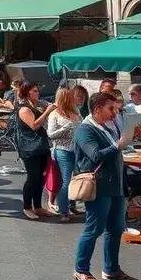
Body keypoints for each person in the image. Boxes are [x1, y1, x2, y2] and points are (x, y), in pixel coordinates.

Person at [72, 92, 140, 280]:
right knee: (93, 229)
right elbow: (94, 155)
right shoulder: (85, 130)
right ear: (97, 109)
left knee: (116, 229)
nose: (114, 112)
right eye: (110, 108)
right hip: (99, 187)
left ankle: (111, 269)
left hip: (116, 187)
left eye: (115, 108)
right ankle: (81, 269)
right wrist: (118, 145)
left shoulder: (107, 127)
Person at [15, 82, 54, 220]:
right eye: (35, 91)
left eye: (38, 91)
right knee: (33, 177)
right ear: (27, 93)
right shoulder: (24, 109)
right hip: (29, 148)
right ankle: (27, 207)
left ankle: (37, 206)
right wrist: (47, 111)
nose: (38, 93)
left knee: (41, 177)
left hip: (41, 146)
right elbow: (34, 125)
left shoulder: (36, 105)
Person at [47, 87, 83, 222]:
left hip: (77, 150)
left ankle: (71, 205)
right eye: (69, 97)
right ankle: (64, 211)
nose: (72, 99)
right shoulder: (54, 114)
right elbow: (50, 134)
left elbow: (82, 127)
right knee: (66, 181)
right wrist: (65, 128)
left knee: (77, 179)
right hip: (62, 150)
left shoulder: (76, 111)